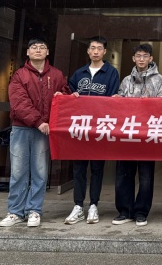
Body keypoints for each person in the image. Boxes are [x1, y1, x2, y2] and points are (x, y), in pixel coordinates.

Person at [0, 38, 70, 228]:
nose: (38, 50)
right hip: (22, 129)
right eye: (34, 47)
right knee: (18, 172)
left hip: (44, 131)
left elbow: (65, 93)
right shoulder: (19, 75)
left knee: (40, 172)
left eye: (42, 47)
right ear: (28, 52)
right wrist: (38, 122)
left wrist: (64, 95)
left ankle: (34, 210)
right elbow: (19, 103)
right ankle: (15, 212)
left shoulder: (56, 75)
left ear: (48, 52)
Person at [111, 43, 162, 227]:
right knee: (123, 174)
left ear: (151, 58)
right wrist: (117, 100)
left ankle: (141, 212)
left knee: (145, 177)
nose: (141, 59)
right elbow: (119, 104)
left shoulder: (159, 80)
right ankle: (125, 211)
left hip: (147, 135)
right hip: (127, 134)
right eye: (138, 56)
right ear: (133, 58)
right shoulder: (126, 80)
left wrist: (152, 103)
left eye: (145, 56)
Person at [64, 36, 120, 225]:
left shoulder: (111, 73)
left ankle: (94, 205)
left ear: (105, 52)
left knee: (97, 169)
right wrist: (70, 96)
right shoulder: (79, 73)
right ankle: (78, 206)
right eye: (93, 48)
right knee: (79, 168)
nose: (96, 51)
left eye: (99, 48)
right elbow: (68, 95)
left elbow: (112, 100)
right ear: (88, 51)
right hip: (81, 127)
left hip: (99, 128)